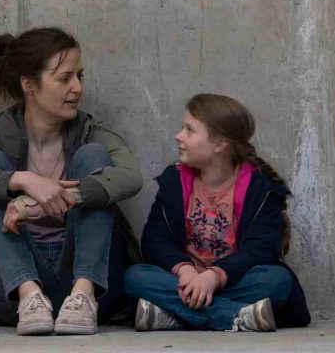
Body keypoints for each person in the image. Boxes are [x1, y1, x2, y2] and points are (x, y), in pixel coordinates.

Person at [0, 27, 143, 335]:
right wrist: (23, 180)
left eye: (79, 76)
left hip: (88, 286)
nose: (77, 88)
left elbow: (130, 177)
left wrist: (45, 202)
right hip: (13, 294)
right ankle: (29, 294)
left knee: (94, 157)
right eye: (64, 78)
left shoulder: (89, 130)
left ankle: (83, 295)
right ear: (29, 85)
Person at [125, 93, 311, 331]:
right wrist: (185, 271)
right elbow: (155, 241)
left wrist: (214, 276)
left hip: (233, 281)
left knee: (276, 280)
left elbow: (261, 248)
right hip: (184, 281)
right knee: (136, 276)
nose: (178, 136)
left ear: (220, 144)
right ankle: (234, 316)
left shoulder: (258, 186)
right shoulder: (174, 180)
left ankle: (175, 315)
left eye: (190, 130)